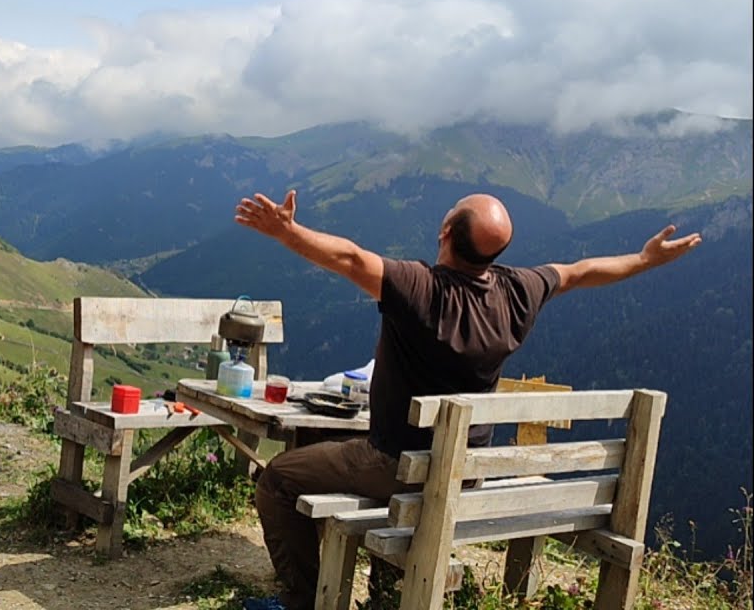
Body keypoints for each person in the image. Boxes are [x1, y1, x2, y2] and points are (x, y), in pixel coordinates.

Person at [232, 189, 702, 610]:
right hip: (463, 475)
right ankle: (384, 591)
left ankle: (299, 602)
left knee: (278, 479)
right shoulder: (518, 293)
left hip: (396, 467)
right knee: (325, 452)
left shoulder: (422, 290)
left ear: (444, 232)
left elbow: (352, 259)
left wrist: (286, 231)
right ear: (495, 252)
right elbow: (579, 273)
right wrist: (644, 260)